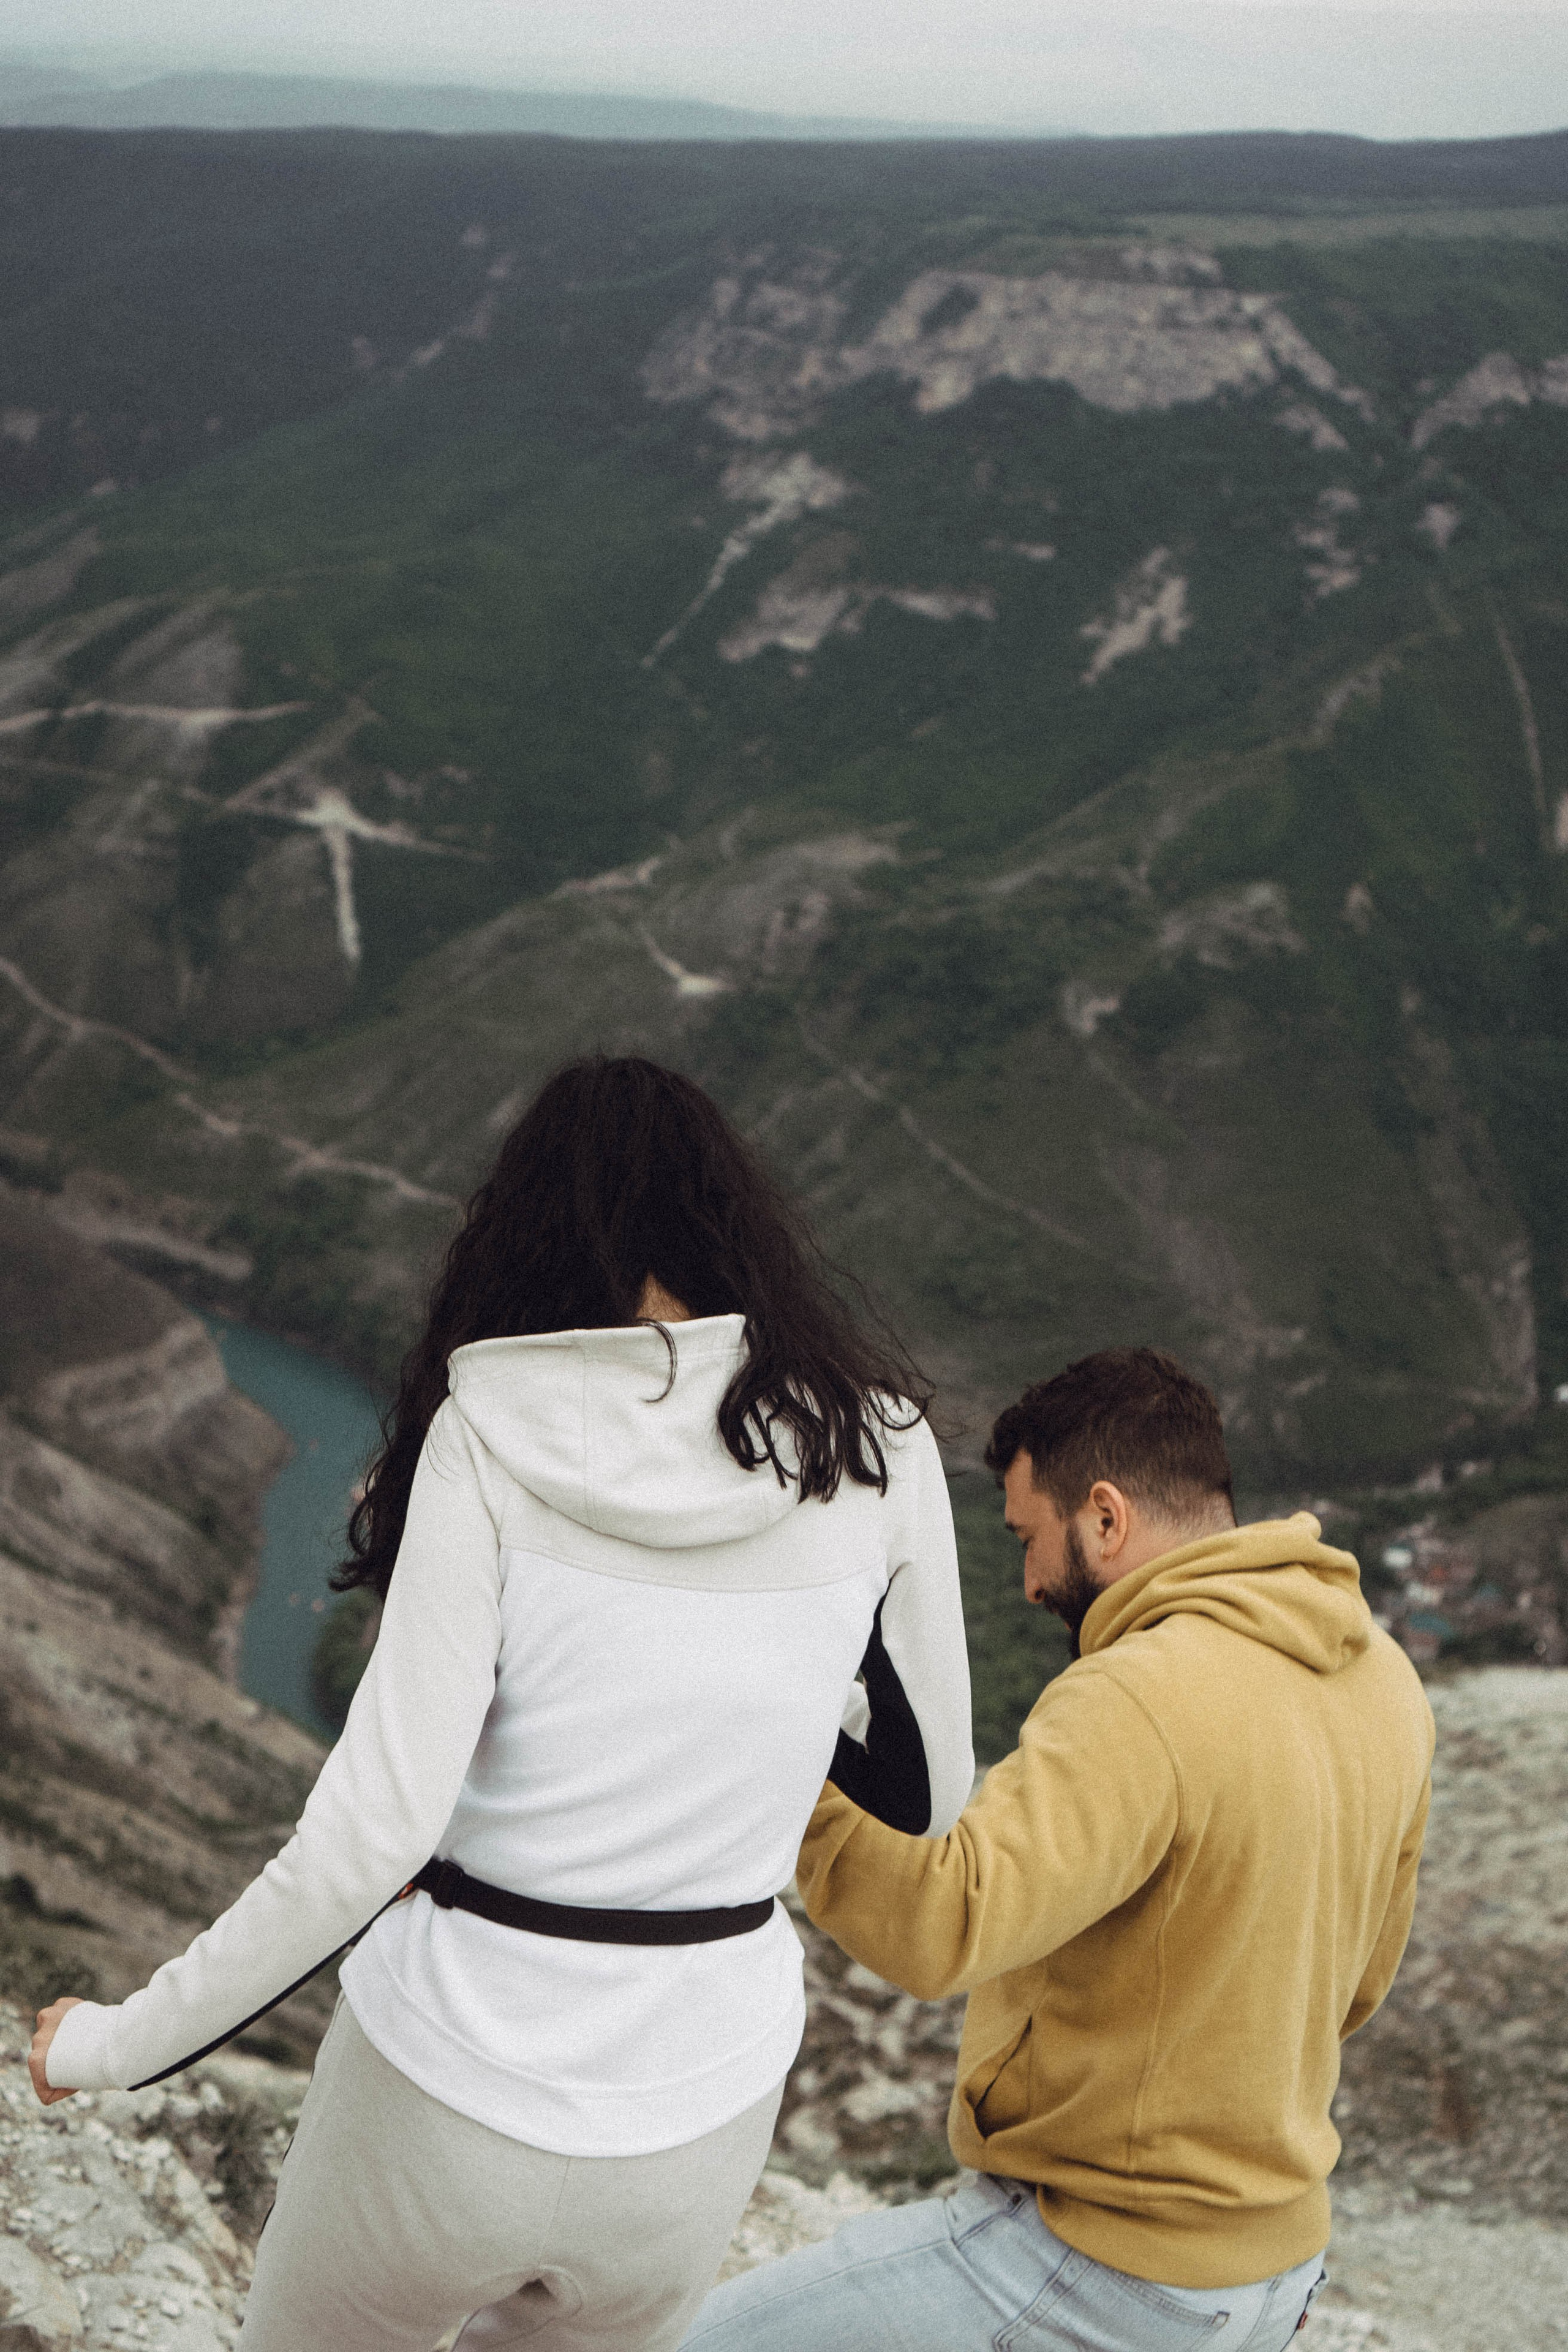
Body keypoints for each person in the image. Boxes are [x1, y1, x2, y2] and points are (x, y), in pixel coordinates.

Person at [29, 1055, 974, 2352]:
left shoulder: (487, 1433)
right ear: (732, 1224)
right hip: (699, 2107)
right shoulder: (881, 1446)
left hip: (447, 2089)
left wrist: (111, 2046)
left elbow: (370, 1840)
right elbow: (928, 1796)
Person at [686, 1347, 1435, 2352]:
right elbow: (1361, 1986)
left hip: (1101, 2267)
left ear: (1107, 1517)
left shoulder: (1137, 1692)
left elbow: (939, 1926)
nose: (1030, 1581)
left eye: (1029, 1537)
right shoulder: (1382, 1676)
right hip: (1272, 2278)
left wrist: (795, 1765)